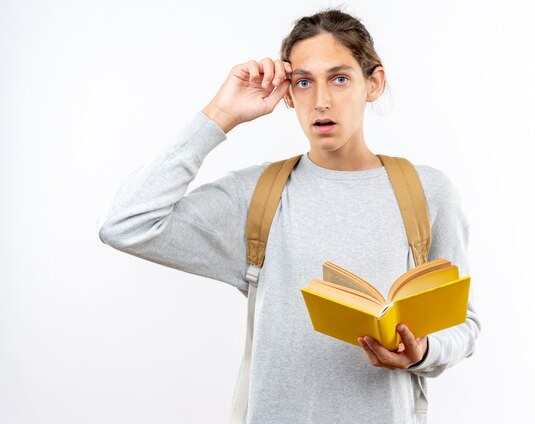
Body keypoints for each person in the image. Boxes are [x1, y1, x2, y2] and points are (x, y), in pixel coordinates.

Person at [97, 8, 480, 424]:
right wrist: (219, 115)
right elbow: (126, 224)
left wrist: (420, 352)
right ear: (287, 92)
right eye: (303, 82)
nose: (321, 101)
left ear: (373, 83)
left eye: (339, 78)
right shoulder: (257, 196)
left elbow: (463, 325)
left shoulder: (426, 192)